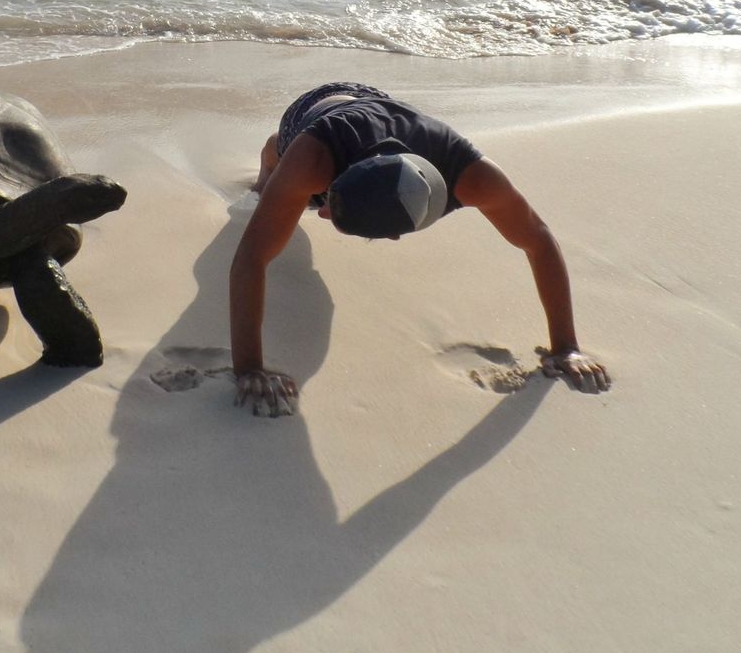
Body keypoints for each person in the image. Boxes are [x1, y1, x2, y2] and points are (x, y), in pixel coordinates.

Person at [231, 82, 611, 416]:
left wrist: (566, 348)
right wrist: (249, 368)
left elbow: (537, 237)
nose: (326, 213)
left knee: (302, 191)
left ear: (398, 233)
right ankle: (272, 157)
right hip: (315, 112)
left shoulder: (470, 175)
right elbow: (252, 256)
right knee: (289, 175)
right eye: (331, 204)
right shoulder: (313, 159)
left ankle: (284, 170)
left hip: (381, 111)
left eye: (333, 210)